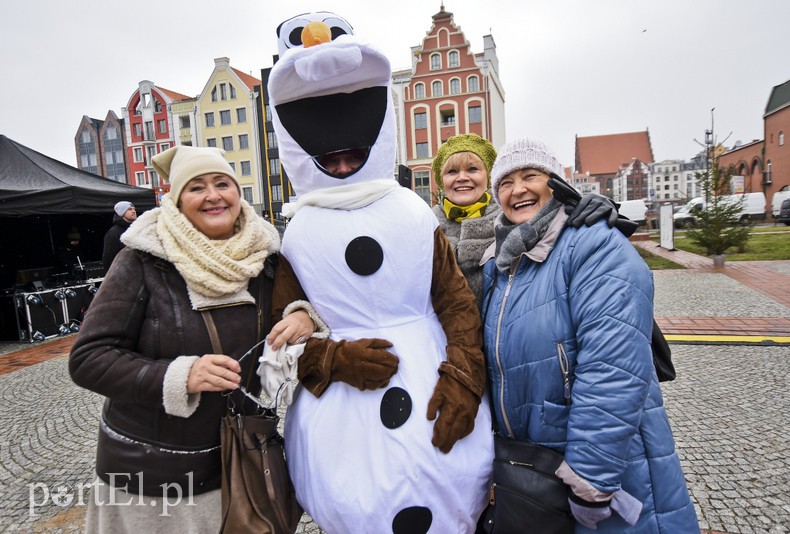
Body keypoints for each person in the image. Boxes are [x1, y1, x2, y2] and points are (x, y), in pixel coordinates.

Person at [268, 16, 492, 533]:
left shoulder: (413, 212)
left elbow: (455, 303)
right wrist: (330, 357)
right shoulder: (297, 233)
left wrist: (463, 377)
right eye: (331, 158)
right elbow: (278, 332)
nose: (344, 167)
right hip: (344, 416)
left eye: (352, 155)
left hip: (430, 384)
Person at [69, 146, 319, 533]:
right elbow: (88, 358)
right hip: (155, 475)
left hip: (243, 460)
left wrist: (303, 315)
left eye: (222, 183)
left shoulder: (266, 259)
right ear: (177, 200)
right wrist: (180, 375)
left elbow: (295, 309)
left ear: (238, 193)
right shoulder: (143, 260)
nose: (213, 195)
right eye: (196, 187)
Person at [481, 138, 699, 532]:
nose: (518, 190)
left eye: (531, 175)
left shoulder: (594, 245)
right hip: (536, 476)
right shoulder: (502, 263)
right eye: (506, 182)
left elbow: (613, 369)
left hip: (604, 474)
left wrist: (591, 479)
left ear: (557, 185)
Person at [432, 133, 620, 303]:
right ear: (441, 180)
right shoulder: (426, 223)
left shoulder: (511, 217)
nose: (462, 177)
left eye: (473, 169)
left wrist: (587, 204)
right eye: (452, 172)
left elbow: (550, 217)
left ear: (487, 177)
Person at [102, 201, 137, 271]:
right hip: (123, 276)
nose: (134, 211)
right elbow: (108, 259)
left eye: (134, 209)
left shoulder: (137, 229)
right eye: (130, 209)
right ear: (122, 212)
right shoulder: (113, 233)